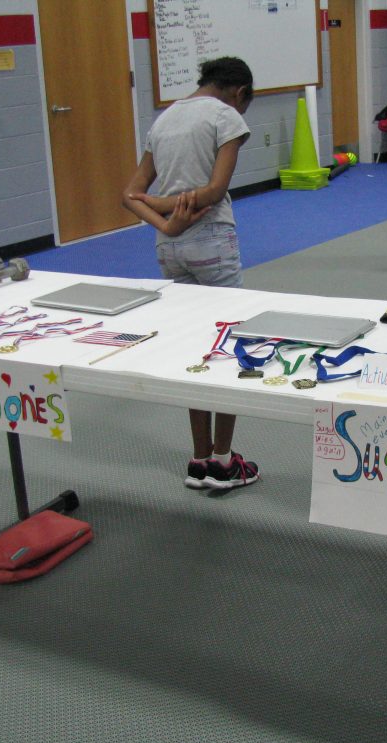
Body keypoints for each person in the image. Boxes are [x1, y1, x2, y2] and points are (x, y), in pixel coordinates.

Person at [122, 56, 260, 491]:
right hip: (211, 240)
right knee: (228, 347)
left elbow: (131, 194)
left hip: (170, 247)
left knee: (195, 348)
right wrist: (174, 207)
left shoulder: (164, 119)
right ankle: (223, 461)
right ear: (239, 93)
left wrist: (167, 223)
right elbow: (215, 191)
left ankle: (198, 459)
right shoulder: (225, 117)